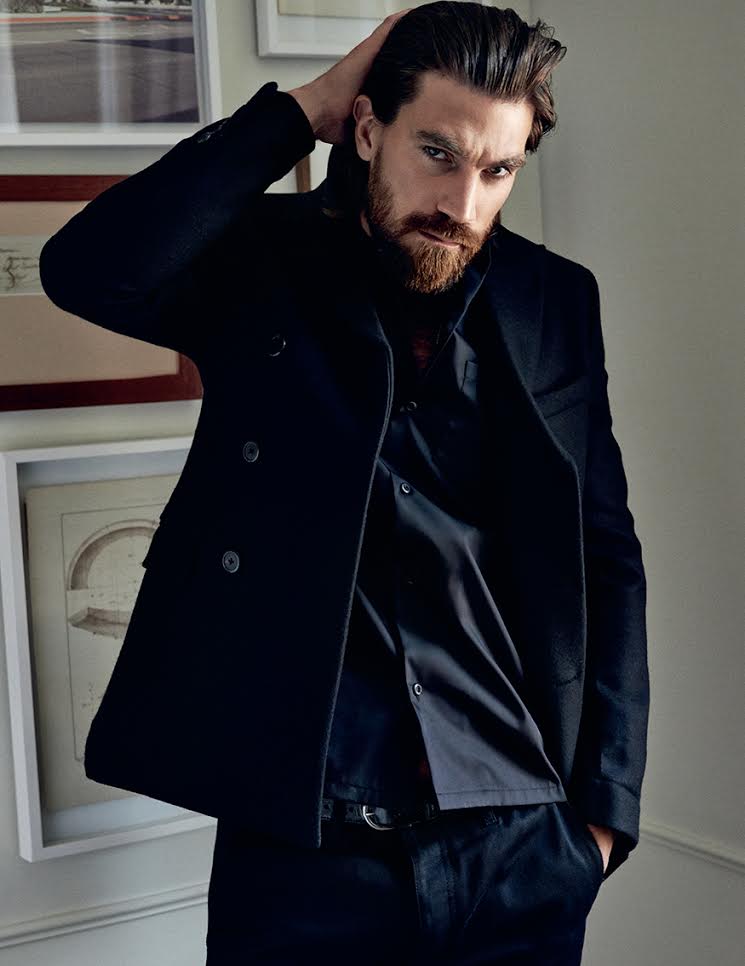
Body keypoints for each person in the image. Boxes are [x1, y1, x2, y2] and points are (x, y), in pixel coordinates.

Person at [39, 3, 650, 963]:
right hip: (304, 854)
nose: (463, 203)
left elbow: (604, 549)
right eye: (437, 154)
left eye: (498, 170)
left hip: (520, 843)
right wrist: (300, 109)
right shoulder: (261, 259)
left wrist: (603, 817)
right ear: (367, 130)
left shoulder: (554, 298)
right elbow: (86, 271)